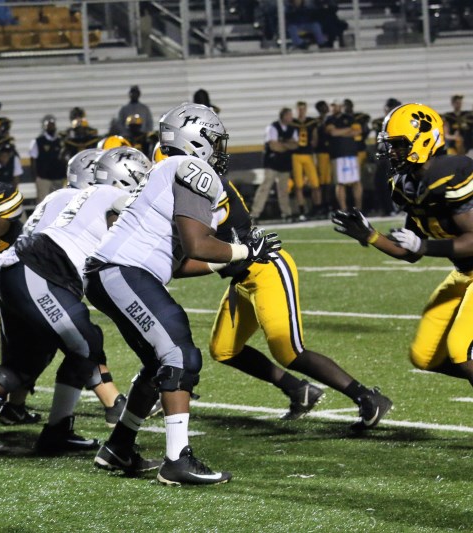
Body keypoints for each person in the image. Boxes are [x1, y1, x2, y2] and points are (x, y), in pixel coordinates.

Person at [85, 103, 280, 485]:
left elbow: (177, 262)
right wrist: (244, 251)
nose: (219, 150)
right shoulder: (193, 168)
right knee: (181, 355)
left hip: (115, 271)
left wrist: (226, 262)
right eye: (215, 141)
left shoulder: (165, 170)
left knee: (158, 363)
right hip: (123, 270)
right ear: (197, 139)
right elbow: (197, 244)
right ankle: (177, 460)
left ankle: (119, 447)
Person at [0, 147, 152, 452]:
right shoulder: (109, 197)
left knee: (28, 361)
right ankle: (74, 423)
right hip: (39, 275)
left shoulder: (63, 197)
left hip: (11, 275)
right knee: (86, 342)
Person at [207, 177, 392, 429]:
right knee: (223, 348)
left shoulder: (199, 187)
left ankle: (367, 397)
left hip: (265, 267)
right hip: (240, 276)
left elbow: (190, 254)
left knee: (289, 351)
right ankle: (298, 390)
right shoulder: (192, 189)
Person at [333, 103, 473, 400]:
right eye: (390, 145)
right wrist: (371, 236)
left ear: (424, 139)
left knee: (461, 350)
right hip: (464, 272)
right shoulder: (407, 183)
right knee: (426, 356)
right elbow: (410, 252)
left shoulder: (452, 172)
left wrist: (425, 246)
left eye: (398, 144)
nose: (392, 152)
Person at [250, 107, 297, 221]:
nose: (291, 117)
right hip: (272, 163)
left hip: (285, 163)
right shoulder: (272, 127)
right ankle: (254, 214)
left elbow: (295, 145)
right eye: (289, 115)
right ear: (283, 116)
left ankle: (286, 213)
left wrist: (282, 144)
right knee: (265, 188)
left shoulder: (292, 129)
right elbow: (274, 146)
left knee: (284, 190)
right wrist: (287, 144)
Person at [326, 98, 362, 211]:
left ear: (340, 106)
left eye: (335, 105)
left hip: (351, 153)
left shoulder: (349, 118)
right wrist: (348, 130)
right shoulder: (329, 119)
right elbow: (333, 133)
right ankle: (344, 209)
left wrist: (340, 132)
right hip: (337, 155)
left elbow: (357, 131)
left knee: (356, 181)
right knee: (340, 183)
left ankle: (358, 208)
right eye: (332, 106)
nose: (334, 108)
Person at [370, 97, 401, 216]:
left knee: (394, 183)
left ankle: (395, 208)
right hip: (383, 156)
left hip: (396, 156)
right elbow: (376, 141)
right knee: (379, 182)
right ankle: (386, 208)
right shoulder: (380, 122)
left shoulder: (401, 122)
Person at [291, 101, 322, 218]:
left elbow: (315, 137)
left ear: (306, 109)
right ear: (296, 109)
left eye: (303, 109)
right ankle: (302, 210)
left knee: (315, 184)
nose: (301, 111)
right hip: (296, 155)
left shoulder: (311, 122)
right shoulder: (292, 123)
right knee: (298, 185)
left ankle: (317, 208)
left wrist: (314, 142)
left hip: (308, 155)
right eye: (299, 109)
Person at [29, 115, 67, 203]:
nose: (51, 127)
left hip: (59, 177)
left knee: (58, 202)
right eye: (49, 125)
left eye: (52, 125)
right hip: (43, 178)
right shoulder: (38, 141)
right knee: (43, 202)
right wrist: (36, 178)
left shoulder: (61, 141)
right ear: (44, 127)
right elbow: (33, 160)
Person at [314, 100, 333, 212]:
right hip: (321, 152)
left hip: (331, 152)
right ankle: (324, 204)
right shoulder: (317, 121)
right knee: (323, 180)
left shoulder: (331, 119)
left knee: (329, 180)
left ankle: (330, 203)